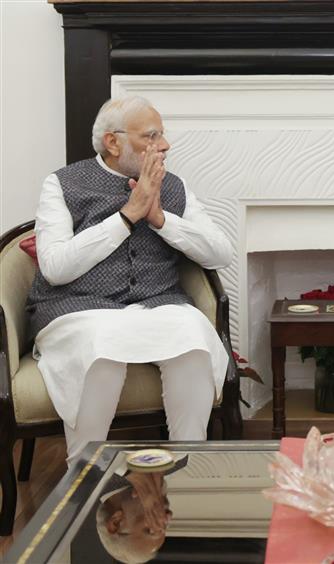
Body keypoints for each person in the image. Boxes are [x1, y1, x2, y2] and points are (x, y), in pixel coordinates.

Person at [26, 96, 233, 465]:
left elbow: (220, 253)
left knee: (193, 343)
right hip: (79, 309)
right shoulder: (62, 184)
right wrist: (126, 217)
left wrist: (160, 219)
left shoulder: (175, 187)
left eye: (163, 135)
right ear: (113, 142)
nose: (165, 145)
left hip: (158, 304)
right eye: (152, 136)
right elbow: (55, 267)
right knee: (102, 348)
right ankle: (85, 475)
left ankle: (187, 472)